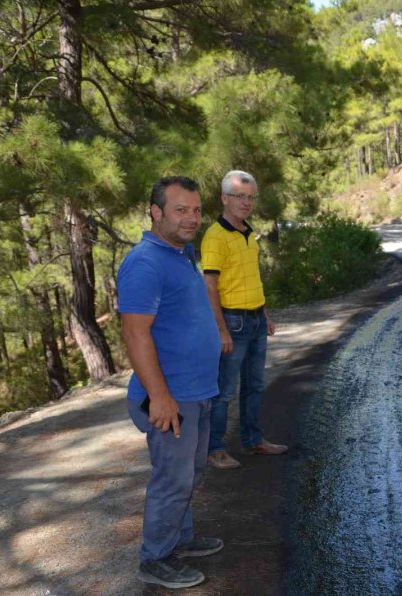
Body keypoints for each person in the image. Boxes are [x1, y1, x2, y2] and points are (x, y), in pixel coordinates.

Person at [117, 176, 223, 589]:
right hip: (171, 398)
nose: (192, 218)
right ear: (155, 212)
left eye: (196, 210)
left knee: (190, 472)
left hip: (196, 391)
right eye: (181, 209)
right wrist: (159, 397)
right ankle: (155, 558)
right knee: (172, 478)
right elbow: (135, 334)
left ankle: (180, 536)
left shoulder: (180, 254)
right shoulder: (145, 261)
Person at [201, 169, 286, 470]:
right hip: (233, 323)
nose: (246, 202)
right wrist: (221, 330)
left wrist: (264, 313)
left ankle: (253, 441)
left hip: (255, 320)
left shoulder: (248, 232)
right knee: (223, 391)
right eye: (240, 196)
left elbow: (251, 278)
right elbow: (210, 285)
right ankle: (215, 449)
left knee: (255, 385)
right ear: (224, 198)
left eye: (250, 197)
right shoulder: (215, 236)